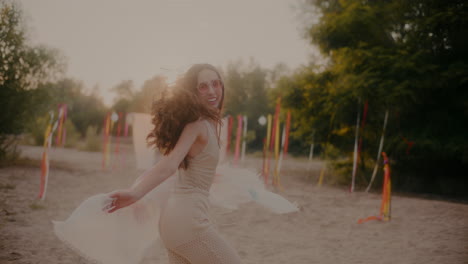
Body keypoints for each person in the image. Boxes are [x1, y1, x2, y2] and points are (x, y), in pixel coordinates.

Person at [104, 64, 243, 264]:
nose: (212, 91)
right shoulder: (198, 126)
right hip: (188, 222)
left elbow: (192, 167)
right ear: (193, 92)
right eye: (203, 86)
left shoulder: (210, 124)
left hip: (177, 222)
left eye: (215, 83)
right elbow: (169, 165)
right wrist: (135, 193)